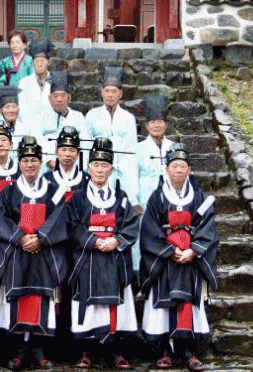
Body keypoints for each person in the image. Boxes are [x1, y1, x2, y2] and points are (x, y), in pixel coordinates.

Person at [0, 136, 68, 370]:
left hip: (43, 255)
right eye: (25, 160)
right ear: (19, 163)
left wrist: (40, 238)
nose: (30, 165)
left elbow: (59, 218)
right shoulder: (9, 192)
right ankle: (18, 351)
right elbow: (0, 220)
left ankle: (39, 351)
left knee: (40, 300)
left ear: (41, 163)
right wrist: (20, 237)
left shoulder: (53, 192)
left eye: (34, 160)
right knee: (18, 300)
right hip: (17, 253)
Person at [139, 144, 218, 372]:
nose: (179, 171)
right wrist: (168, 251)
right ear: (167, 169)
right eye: (174, 166)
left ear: (189, 169)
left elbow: (208, 228)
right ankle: (165, 351)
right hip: (166, 259)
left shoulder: (199, 197)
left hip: (190, 259)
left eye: (183, 166)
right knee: (164, 304)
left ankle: (189, 352)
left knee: (188, 304)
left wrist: (193, 250)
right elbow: (149, 229)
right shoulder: (157, 197)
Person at [65, 138, 139, 370]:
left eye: (104, 165)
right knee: (88, 306)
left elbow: (131, 224)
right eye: (95, 165)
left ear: (111, 169)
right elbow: (72, 225)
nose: (99, 169)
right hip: (88, 257)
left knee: (114, 306)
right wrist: (93, 241)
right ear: (89, 168)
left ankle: (115, 351)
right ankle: (86, 352)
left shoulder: (121, 196)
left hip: (114, 258)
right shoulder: (78, 197)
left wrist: (116, 240)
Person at [126, 95, 176, 272]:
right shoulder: (138, 149)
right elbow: (130, 176)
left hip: (170, 199)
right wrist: (134, 201)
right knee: (143, 237)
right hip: (145, 198)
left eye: (160, 121)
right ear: (146, 125)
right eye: (152, 122)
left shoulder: (174, 147)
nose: (156, 125)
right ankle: (141, 274)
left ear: (166, 124)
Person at [84, 67, 139, 211]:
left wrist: (113, 164)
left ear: (120, 94)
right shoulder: (92, 115)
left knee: (123, 207)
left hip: (122, 168)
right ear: (101, 92)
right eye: (107, 91)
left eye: (114, 91)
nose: (110, 95)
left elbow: (130, 148)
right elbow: (86, 144)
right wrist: (97, 165)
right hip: (98, 166)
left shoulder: (128, 118)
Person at [40, 71, 90, 170]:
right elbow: (38, 142)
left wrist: (77, 166)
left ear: (69, 98)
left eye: (63, 96)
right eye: (55, 96)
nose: (59, 99)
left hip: (74, 167)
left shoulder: (78, 117)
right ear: (49, 99)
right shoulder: (41, 118)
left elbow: (85, 144)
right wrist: (49, 162)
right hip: (47, 168)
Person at [42, 126, 90, 203]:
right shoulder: (46, 178)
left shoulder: (86, 179)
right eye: (64, 150)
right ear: (56, 152)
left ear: (78, 154)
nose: (67, 154)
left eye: (72, 150)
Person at [17, 52, 53, 137]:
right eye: (36, 61)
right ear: (33, 63)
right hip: (28, 126)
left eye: (43, 61)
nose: (39, 64)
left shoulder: (55, 81)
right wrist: (29, 125)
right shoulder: (24, 82)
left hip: (50, 126)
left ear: (48, 63)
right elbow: (21, 106)